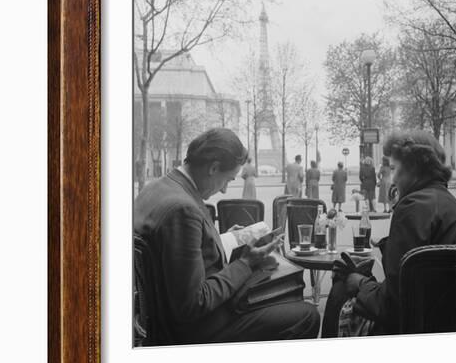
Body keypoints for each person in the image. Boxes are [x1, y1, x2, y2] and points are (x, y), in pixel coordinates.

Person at [134, 128, 320, 345]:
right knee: (306, 314)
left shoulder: (157, 187)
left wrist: (224, 238)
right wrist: (246, 263)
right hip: (195, 329)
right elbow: (194, 304)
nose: (224, 190)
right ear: (213, 168)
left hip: (162, 317)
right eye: (228, 180)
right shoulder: (183, 210)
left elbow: (175, 255)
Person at [322, 130, 456, 337]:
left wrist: (358, 282)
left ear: (414, 168)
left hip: (405, 328)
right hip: (443, 324)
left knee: (341, 286)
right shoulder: (451, 204)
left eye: (394, 169)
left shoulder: (411, 208)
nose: (392, 179)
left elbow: (392, 306)